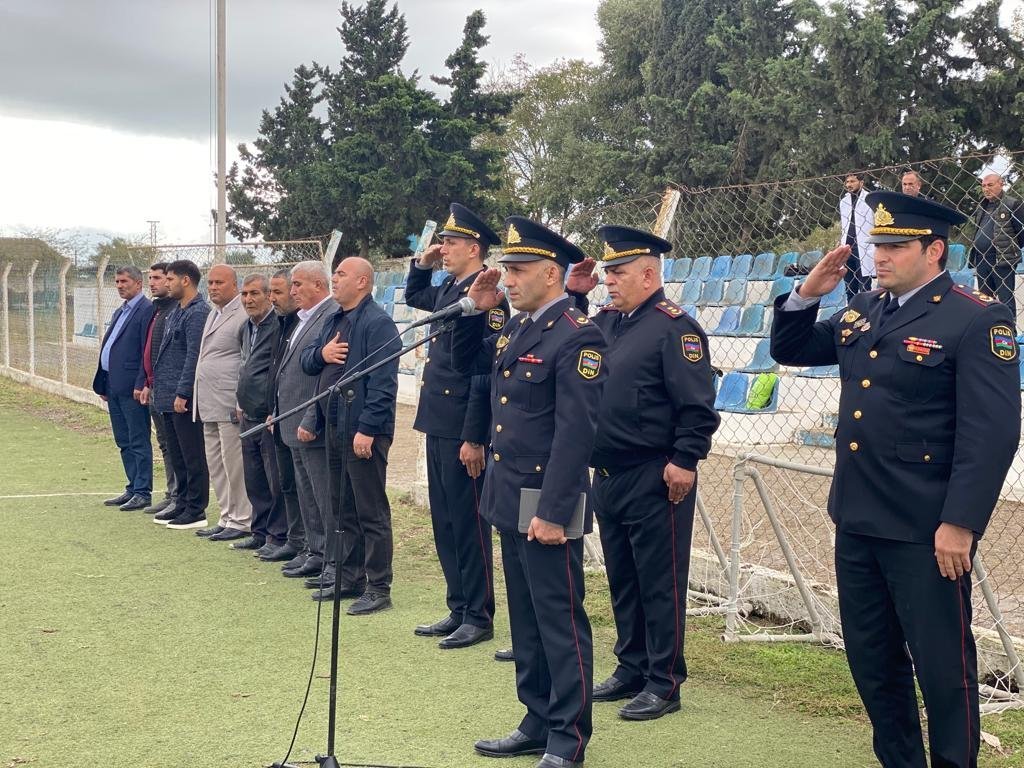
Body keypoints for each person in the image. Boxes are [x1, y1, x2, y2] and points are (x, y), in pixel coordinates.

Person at [770, 191, 1020, 768]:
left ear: (934, 251)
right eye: (876, 244)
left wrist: (960, 523)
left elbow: (991, 434)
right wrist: (807, 294)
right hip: (858, 519)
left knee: (943, 669)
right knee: (873, 662)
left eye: (894, 247)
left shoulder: (975, 317)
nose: (879, 256)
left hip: (924, 529)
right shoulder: (865, 308)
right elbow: (792, 348)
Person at [454, 216, 607, 768]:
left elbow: (576, 433)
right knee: (525, 618)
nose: (509, 279)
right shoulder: (519, 328)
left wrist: (553, 510)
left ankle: (568, 736)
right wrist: (479, 308)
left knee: (559, 620)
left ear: (551, 273)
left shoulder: (578, 334)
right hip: (509, 493)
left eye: (518, 270)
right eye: (508, 270)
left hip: (547, 499)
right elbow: (477, 379)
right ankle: (536, 719)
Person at [566, 226, 720, 721]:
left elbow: (697, 406)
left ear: (649, 275)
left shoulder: (675, 328)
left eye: (618, 272)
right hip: (608, 473)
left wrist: (686, 459)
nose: (609, 281)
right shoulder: (607, 321)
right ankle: (631, 666)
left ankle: (664, 681)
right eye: (607, 272)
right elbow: (567, 336)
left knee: (659, 581)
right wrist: (576, 295)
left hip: (655, 473)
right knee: (623, 578)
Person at [405, 203, 509, 648]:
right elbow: (416, 297)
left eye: (450, 243)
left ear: (473, 248)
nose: (443, 249)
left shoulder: (489, 296)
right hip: (438, 418)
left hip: (463, 424)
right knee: (445, 520)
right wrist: (421, 264)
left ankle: (478, 614)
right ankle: (458, 605)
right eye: (443, 243)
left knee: (468, 523)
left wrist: (473, 436)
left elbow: (483, 373)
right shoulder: (451, 286)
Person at [302, 257, 401, 615]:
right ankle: (349, 576)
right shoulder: (333, 319)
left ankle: (378, 586)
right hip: (334, 426)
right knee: (342, 507)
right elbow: (308, 363)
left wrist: (368, 429)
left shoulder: (378, 323)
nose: (334, 278)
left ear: (362, 282)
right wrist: (322, 353)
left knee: (370, 511)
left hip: (362, 432)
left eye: (341, 274)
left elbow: (383, 384)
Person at [272, 261, 336, 581]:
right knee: (306, 492)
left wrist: (312, 418)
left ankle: (331, 558)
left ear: (318, 285)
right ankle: (316, 550)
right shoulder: (303, 318)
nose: (292, 290)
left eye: (298, 284)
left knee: (322, 495)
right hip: (292, 418)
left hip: (313, 422)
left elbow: (325, 375)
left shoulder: (329, 315)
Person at [150, 260, 211, 530]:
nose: (166, 283)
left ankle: (196, 508)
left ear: (185, 280)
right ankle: (182, 501)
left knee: (192, 454)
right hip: (166, 396)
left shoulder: (198, 312)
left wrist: (183, 391)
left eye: (171, 279)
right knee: (177, 455)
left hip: (181, 398)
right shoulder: (177, 310)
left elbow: (193, 356)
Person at [192, 265, 252, 542]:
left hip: (229, 401)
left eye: (219, 282)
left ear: (234, 285)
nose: (213, 287)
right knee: (216, 462)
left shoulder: (242, 313)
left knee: (233, 463)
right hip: (208, 401)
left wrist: (241, 399)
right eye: (210, 282)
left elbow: (246, 359)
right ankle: (226, 515)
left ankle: (242, 519)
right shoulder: (214, 312)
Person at [234, 273, 289, 554]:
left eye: (254, 293)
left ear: (269, 296)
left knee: (274, 480)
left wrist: (273, 409)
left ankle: (277, 537)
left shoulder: (278, 325)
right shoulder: (246, 327)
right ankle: (259, 531)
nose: (248, 299)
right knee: (254, 479)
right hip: (248, 413)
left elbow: (278, 370)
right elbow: (245, 366)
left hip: (268, 415)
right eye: (244, 294)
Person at [93, 265, 155, 511]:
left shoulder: (146, 310)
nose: (119, 285)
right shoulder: (121, 310)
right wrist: (104, 381)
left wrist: (142, 383)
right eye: (117, 281)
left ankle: (143, 491)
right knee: (124, 440)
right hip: (113, 384)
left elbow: (145, 351)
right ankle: (132, 487)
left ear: (138, 283)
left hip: (132, 388)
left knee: (138, 439)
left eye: (124, 281)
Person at [257, 269, 305, 563]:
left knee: (302, 486)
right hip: (278, 414)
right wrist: (273, 410)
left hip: (299, 416)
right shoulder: (281, 323)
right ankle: (295, 540)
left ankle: (307, 545)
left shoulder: (303, 323)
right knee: (286, 482)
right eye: (270, 292)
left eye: (278, 292)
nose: (272, 298)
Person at [136, 263, 179, 515]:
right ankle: (172, 494)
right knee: (165, 443)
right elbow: (149, 351)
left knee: (175, 445)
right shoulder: (158, 310)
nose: (152, 282)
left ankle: (179, 496)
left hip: (169, 391)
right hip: (154, 388)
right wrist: (146, 383)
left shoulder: (176, 311)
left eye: (159, 278)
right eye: (150, 278)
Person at [970, 173, 1024, 318]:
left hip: (1001, 259)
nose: (986, 189)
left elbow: (1021, 233)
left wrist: (1009, 248)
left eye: (990, 185)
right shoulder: (982, 206)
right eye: (983, 186)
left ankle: (1009, 329)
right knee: (984, 299)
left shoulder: (1012, 204)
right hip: (982, 259)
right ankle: (989, 328)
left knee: (1005, 299)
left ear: (1001, 184)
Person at [838, 172, 876, 300]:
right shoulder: (844, 202)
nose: (849, 184)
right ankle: (851, 310)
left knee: (864, 287)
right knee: (849, 287)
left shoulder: (870, 199)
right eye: (847, 182)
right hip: (848, 248)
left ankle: (866, 311)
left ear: (861, 182)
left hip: (864, 247)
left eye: (852, 181)